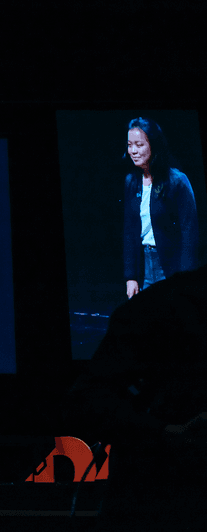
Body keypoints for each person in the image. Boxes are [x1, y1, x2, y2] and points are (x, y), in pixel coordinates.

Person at [66, 264, 207, 530]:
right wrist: (166, 432)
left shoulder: (163, 302)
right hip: (156, 501)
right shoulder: (164, 305)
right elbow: (86, 399)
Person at [123, 117, 198, 299]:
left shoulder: (177, 182)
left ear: (153, 145)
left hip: (171, 267)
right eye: (130, 144)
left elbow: (190, 233)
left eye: (139, 145)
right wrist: (131, 276)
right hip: (144, 268)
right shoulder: (132, 182)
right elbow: (130, 231)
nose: (133, 150)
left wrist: (184, 279)